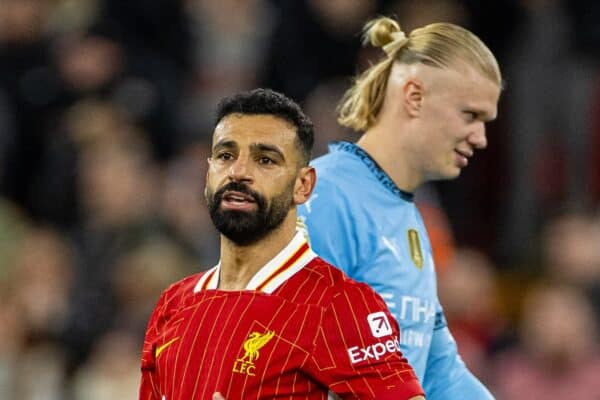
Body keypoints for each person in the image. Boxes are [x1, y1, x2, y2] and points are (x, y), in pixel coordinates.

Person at [138, 88, 425, 399]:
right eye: (225, 155)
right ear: (209, 173)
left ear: (303, 185)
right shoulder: (173, 304)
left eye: (265, 160)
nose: (238, 172)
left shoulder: (338, 304)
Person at [297, 16, 502, 399]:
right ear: (414, 97)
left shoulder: (409, 217)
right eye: (470, 115)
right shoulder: (323, 198)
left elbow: (439, 370)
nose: (481, 138)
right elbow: (293, 362)